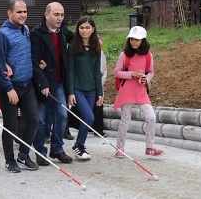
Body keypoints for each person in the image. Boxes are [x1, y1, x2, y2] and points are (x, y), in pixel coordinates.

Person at [0, 0, 39, 173]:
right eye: (19, 12)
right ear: (9, 13)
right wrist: (9, 88)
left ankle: (23, 154)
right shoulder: (1, 35)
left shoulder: (26, 30)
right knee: (10, 125)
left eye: (25, 11)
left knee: (34, 120)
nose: (23, 15)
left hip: (27, 85)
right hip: (10, 88)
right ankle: (9, 160)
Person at [31, 2, 74, 165]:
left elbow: (77, 38)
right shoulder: (36, 34)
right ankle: (40, 152)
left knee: (62, 115)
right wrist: (42, 83)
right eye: (56, 15)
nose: (60, 18)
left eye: (62, 15)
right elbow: (34, 60)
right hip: (41, 84)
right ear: (46, 15)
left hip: (58, 82)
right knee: (41, 120)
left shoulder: (63, 31)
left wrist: (93, 40)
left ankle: (57, 149)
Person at [113, 26, 164, 157]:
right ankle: (120, 148)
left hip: (141, 91)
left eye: (137, 39)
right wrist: (131, 74)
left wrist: (146, 79)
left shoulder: (148, 55)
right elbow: (117, 72)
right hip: (127, 91)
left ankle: (150, 147)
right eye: (131, 39)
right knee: (125, 120)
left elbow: (151, 72)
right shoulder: (124, 54)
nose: (133, 42)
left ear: (143, 40)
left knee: (151, 117)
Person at [68, 16, 103, 160]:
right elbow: (70, 70)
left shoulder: (96, 48)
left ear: (93, 29)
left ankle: (79, 146)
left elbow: (96, 71)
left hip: (92, 89)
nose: (84, 30)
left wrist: (100, 92)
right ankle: (79, 145)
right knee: (89, 117)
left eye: (87, 27)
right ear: (78, 29)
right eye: (81, 27)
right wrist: (70, 92)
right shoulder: (73, 47)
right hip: (77, 89)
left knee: (85, 118)